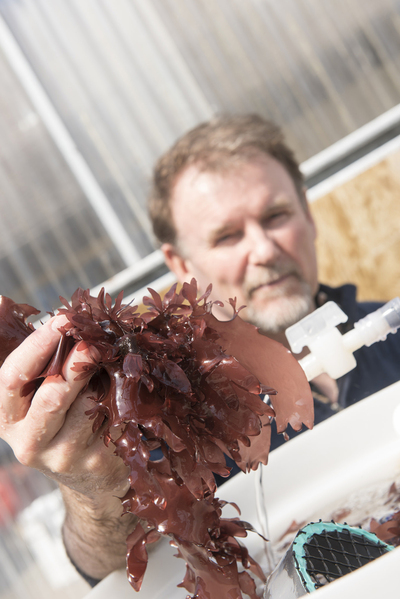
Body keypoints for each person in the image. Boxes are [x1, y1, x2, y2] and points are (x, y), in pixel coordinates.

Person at [0, 113, 399, 587]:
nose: (264, 249)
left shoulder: (390, 333)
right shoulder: (171, 417)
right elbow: (109, 566)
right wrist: (93, 490)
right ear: (179, 262)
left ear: (308, 217)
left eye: (276, 216)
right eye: (227, 236)